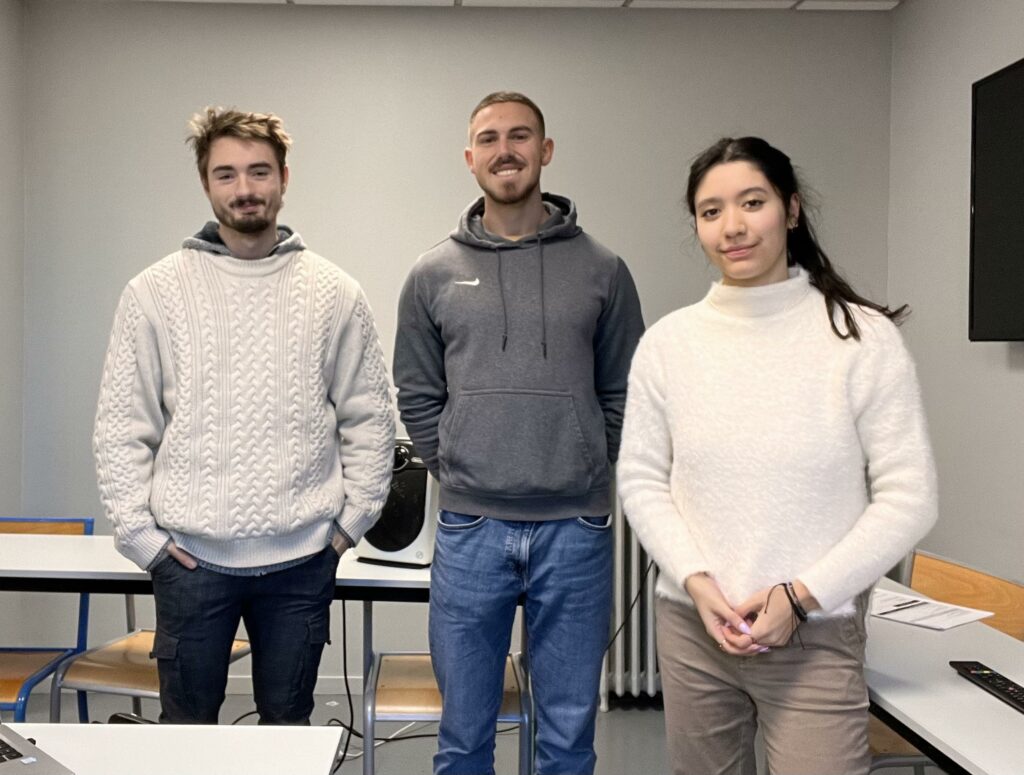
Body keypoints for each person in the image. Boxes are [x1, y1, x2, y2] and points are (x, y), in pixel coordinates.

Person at [617, 136, 938, 775]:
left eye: (751, 202)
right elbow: (643, 479)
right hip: (693, 628)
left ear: (791, 209)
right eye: (711, 212)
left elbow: (911, 497)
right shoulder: (669, 344)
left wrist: (800, 598)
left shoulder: (859, 337)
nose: (732, 227)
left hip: (816, 635)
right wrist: (698, 583)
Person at [93, 107, 395, 724]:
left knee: (287, 732)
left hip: (303, 560)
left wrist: (349, 525)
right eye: (226, 174)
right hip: (190, 563)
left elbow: (371, 417)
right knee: (189, 737)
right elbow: (122, 425)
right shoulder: (154, 292)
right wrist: (141, 538)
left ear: (284, 178)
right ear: (207, 185)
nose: (245, 189)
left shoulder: (335, 292)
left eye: (259, 172)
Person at [393, 91, 645, 775]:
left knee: (567, 738)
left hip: (577, 530)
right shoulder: (432, 273)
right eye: (490, 138)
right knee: (464, 735)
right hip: (472, 526)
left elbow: (623, 389)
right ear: (470, 157)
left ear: (546, 150)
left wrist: (589, 457)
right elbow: (415, 391)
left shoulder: (603, 269)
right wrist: (460, 462)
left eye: (521, 135)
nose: (506, 149)